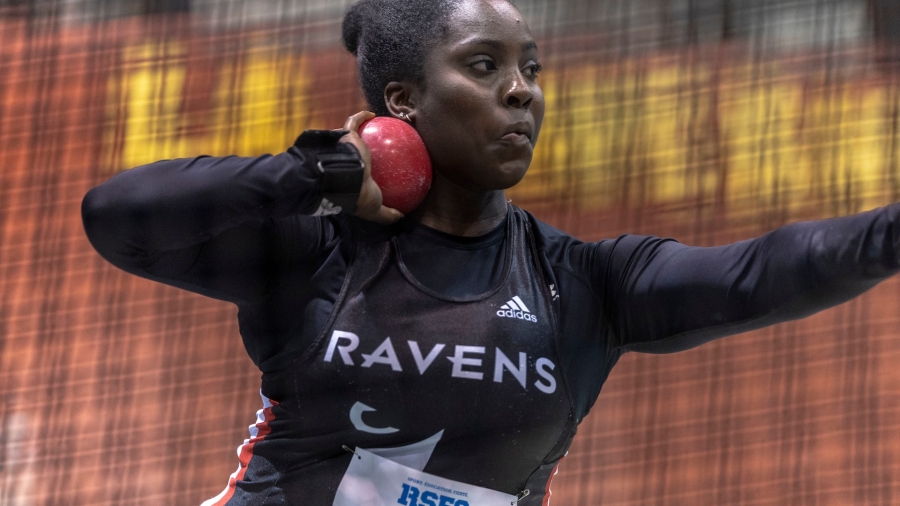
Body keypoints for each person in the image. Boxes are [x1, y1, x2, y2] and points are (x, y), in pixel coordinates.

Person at [81, 0, 900, 504]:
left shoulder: (581, 284)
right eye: (485, 65)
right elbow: (116, 216)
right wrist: (314, 172)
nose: (523, 90)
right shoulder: (317, 249)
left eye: (531, 68)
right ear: (401, 100)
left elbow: (766, 271)